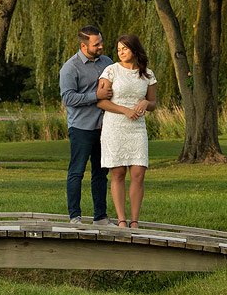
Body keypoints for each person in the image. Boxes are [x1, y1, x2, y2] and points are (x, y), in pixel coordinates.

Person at [96, 34, 157, 229]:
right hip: (115, 126)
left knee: (138, 173)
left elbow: (154, 103)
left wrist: (146, 103)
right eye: (118, 49)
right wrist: (125, 110)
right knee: (119, 173)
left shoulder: (147, 74)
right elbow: (101, 101)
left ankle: (135, 221)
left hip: (137, 128)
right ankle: (122, 220)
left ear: (135, 49)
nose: (121, 52)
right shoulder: (110, 71)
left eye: (125, 48)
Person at [59, 26, 115, 227]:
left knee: (101, 174)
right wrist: (95, 96)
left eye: (100, 42)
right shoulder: (70, 68)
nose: (101, 46)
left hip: (104, 127)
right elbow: (68, 98)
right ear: (84, 45)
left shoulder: (107, 63)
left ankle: (100, 217)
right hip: (81, 128)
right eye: (96, 44)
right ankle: (75, 217)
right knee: (77, 172)